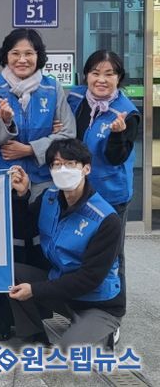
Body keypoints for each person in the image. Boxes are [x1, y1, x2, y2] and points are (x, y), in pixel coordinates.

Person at [0, 28, 76, 341]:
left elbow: (68, 134)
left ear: (38, 57)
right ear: (5, 56)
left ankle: (36, 318)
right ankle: (5, 316)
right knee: (7, 253)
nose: (22, 59)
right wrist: (4, 122)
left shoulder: (52, 87)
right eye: (16, 53)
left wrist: (29, 149)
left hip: (44, 186)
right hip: (3, 184)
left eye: (29, 53)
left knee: (40, 251)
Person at [8, 139, 124, 349]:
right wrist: (22, 195)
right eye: (56, 164)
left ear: (86, 168)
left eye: (70, 164)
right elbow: (25, 231)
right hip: (63, 288)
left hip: (97, 302)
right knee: (10, 274)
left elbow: (90, 279)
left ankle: (106, 331)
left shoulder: (106, 219)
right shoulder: (49, 198)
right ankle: (35, 336)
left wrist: (35, 290)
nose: (63, 170)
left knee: (69, 353)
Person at [67, 50, 139, 261]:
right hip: (77, 189)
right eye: (95, 73)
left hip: (111, 193)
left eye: (109, 74)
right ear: (86, 75)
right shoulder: (76, 98)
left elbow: (116, 158)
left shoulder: (127, 112)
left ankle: (117, 285)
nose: (101, 80)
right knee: (79, 248)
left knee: (111, 255)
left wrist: (117, 135)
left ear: (119, 78)